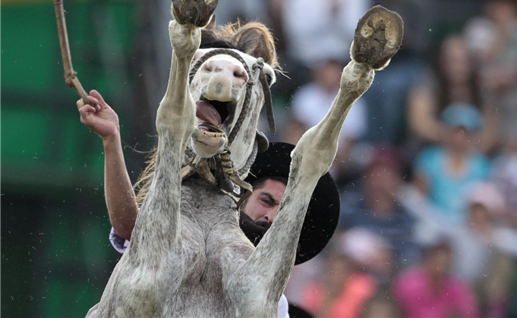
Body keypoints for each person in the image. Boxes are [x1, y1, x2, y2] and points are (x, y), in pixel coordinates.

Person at [77, 90, 340, 317]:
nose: (271, 217)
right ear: (241, 197)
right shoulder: (176, 236)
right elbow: (128, 227)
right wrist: (111, 140)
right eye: (266, 201)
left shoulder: (275, 305)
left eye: (281, 214)